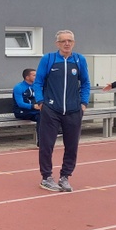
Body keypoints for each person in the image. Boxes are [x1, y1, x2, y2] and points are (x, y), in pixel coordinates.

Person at [33, 30, 90, 193]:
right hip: (51, 109)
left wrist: (83, 103)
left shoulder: (79, 60)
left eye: (70, 41)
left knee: (72, 146)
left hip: (73, 110)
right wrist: (41, 102)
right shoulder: (49, 59)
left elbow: (85, 83)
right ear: (57, 43)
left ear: (74, 42)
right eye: (63, 41)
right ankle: (46, 177)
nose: (67, 43)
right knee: (47, 145)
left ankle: (65, 176)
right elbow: (38, 82)